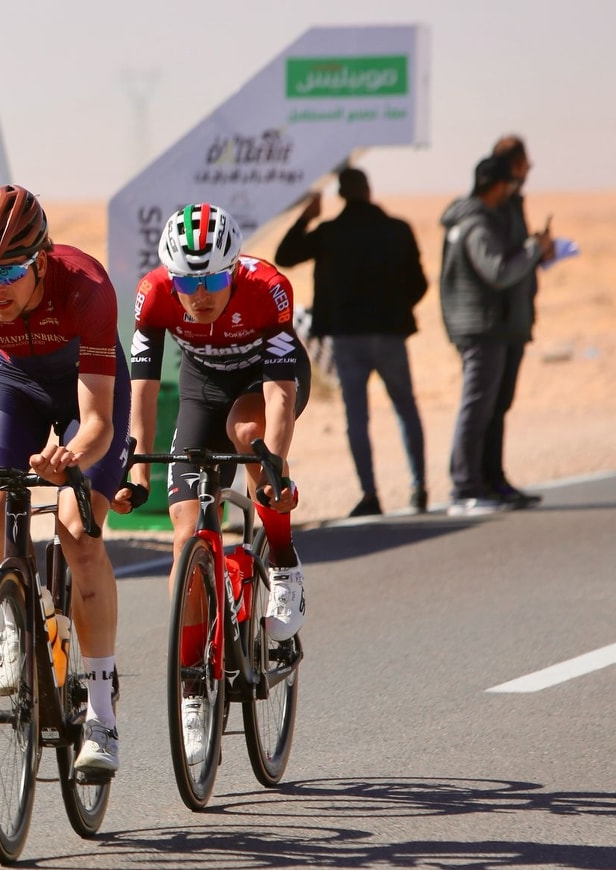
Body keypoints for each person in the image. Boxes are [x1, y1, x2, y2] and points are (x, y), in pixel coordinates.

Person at [0, 184, 131, 776]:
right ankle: (19, 618)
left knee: (78, 532)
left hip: (86, 392)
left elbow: (97, 422)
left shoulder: (86, 287)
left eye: (10, 270)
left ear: (41, 259)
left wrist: (71, 457)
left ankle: (101, 715)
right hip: (13, 385)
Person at [122, 202, 310, 689]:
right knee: (186, 535)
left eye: (213, 280)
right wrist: (137, 469)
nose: (200, 294)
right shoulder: (153, 294)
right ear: (171, 279)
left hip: (263, 381)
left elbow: (280, 394)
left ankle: (283, 561)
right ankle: (190, 686)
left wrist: (274, 466)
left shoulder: (267, 287)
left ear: (234, 270)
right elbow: (141, 393)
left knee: (246, 431)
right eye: (187, 283)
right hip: (203, 387)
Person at [274, 168, 429, 518]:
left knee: (356, 416)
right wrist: (397, 309)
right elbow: (419, 283)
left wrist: (306, 218)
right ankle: (419, 487)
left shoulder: (330, 232)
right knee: (406, 407)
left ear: (342, 195)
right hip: (390, 334)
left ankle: (369, 494)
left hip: (346, 337)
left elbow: (285, 256)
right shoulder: (397, 229)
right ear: (368, 189)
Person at [439, 155, 554, 516]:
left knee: (490, 407)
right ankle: (464, 488)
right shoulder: (476, 225)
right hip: (481, 327)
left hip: (489, 326)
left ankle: (487, 482)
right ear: (499, 185)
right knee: (476, 407)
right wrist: (533, 249)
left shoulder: (477, 220)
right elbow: (498, 272)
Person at [484, 134, 545, 507]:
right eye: (525, 166)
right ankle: (480, 482)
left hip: (513, 319)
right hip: (497, 322)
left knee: (499, 405)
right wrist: (534, 249)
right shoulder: (494, 207)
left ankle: (494, 479)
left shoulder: (511, 203)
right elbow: (500, 267)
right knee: (486, 407)